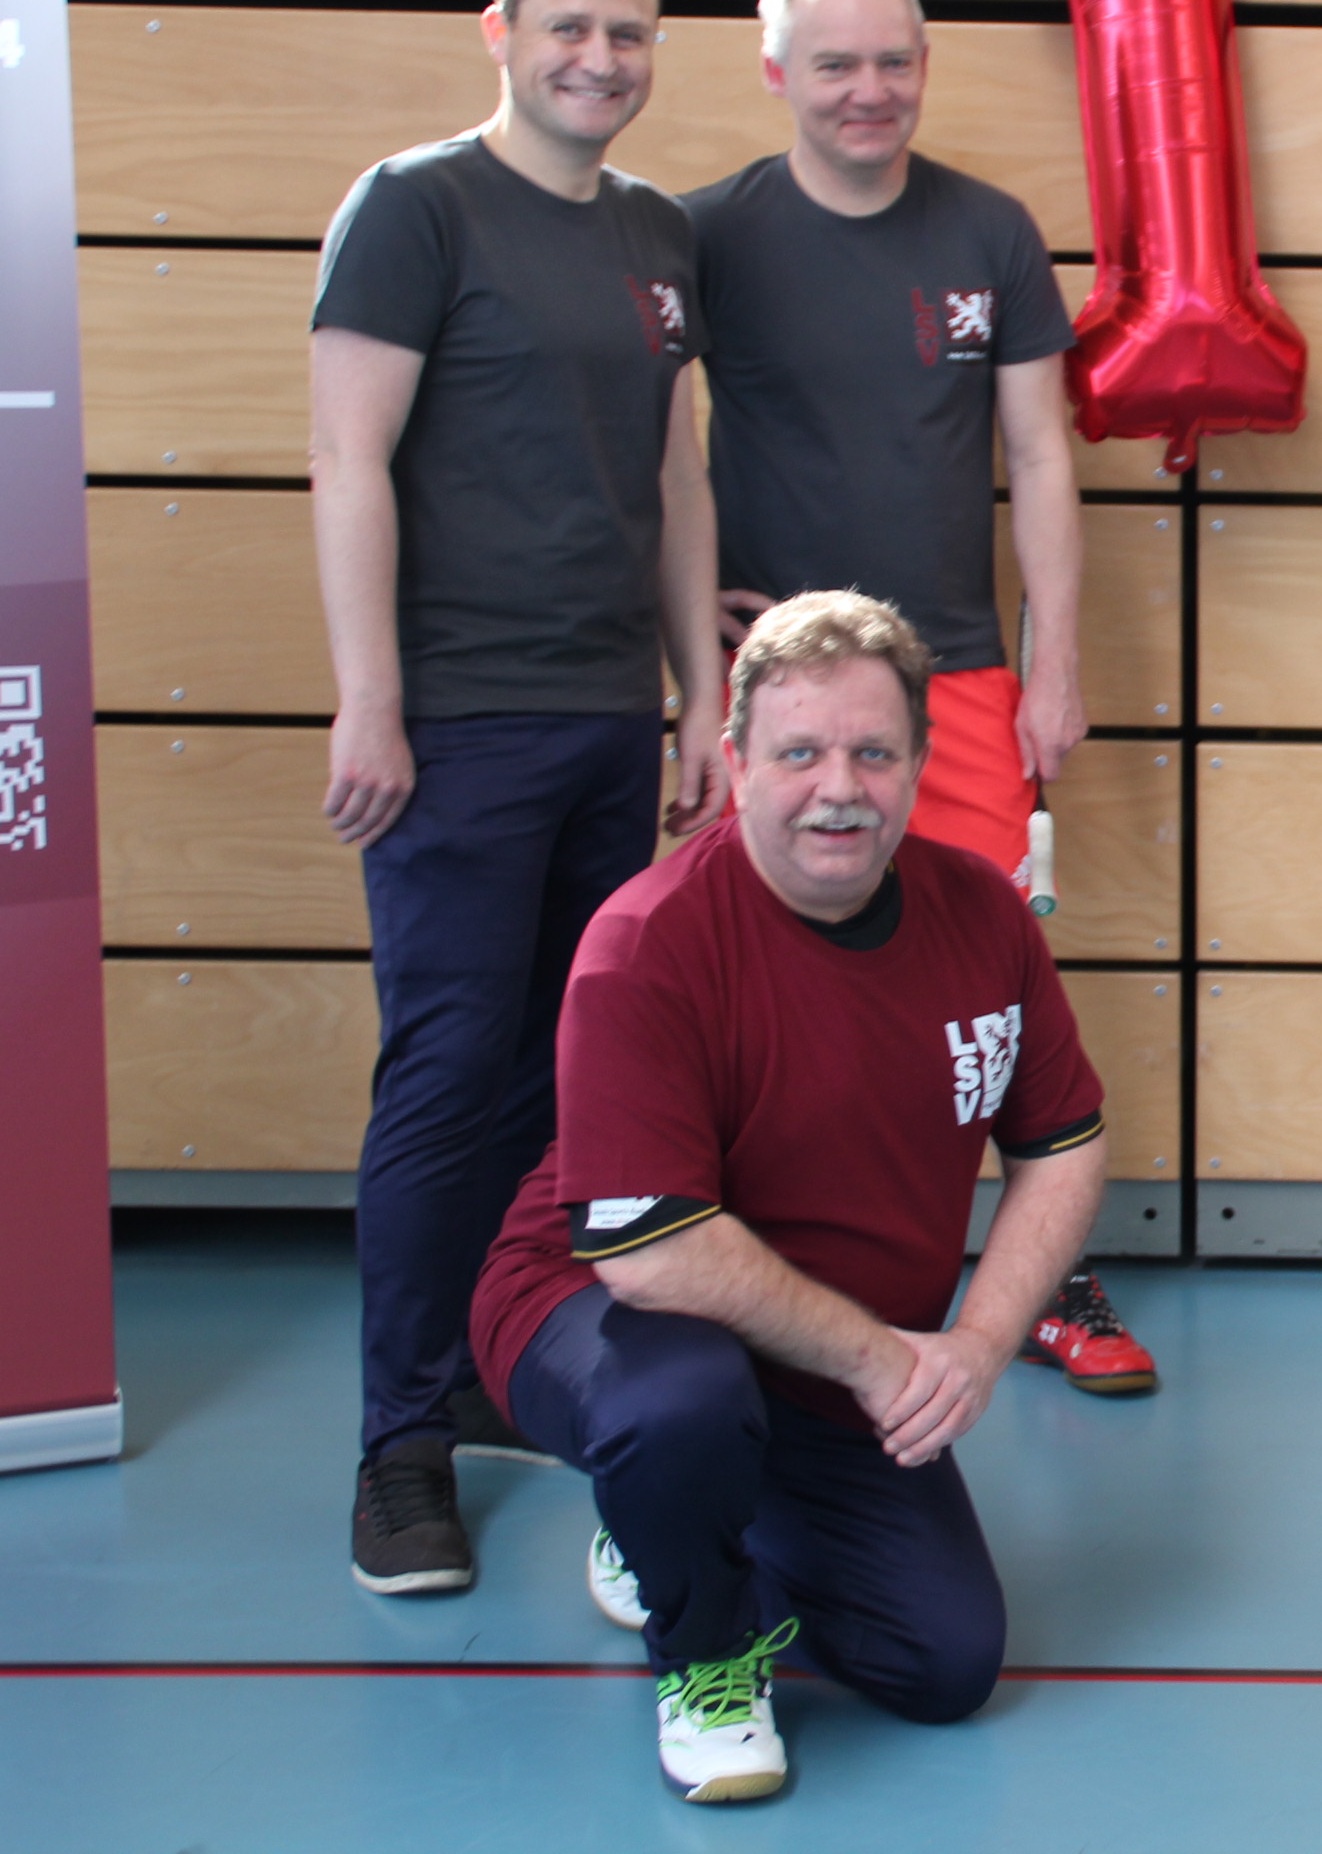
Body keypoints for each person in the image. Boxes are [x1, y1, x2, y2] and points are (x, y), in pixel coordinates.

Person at [468, 591, 1112, 1802]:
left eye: (874, 751)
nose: (840, 788)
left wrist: (976, 1342)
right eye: (800, 753)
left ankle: (675, 1513)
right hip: (597, 1305)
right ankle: (702, 1653)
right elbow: (651, 1255)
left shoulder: (983, 916)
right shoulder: (648, 942)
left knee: (946, 1662)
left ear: (920, 760)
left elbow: (1064, 1144)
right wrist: (879, 1361)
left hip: (826, 1360)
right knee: (681, 1403)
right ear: (734, 762)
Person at [309, 0, 724, 1597]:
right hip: (455, 726)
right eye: (566, 25)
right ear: (502, 31)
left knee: (570, 1083)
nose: (597, 57)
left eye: (625, 32)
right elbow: (348, 457)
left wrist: (702, 689)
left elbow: (678, 475)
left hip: (604, 720)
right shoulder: (413, 208)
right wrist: (369, 692)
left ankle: (489, 1366)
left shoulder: (657, 234)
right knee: (446, 1069)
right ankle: (397, 1446)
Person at [684, 0, 1152, 1394]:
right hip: (779, 697)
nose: (869, 90)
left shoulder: (992, 234)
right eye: (836, 64)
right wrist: (684, 620)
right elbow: (635, 447)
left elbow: (1036, 453)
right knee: (757, 992)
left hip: (953, 683)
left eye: (895, 60)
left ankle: (1040, 1282)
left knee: (982, 987)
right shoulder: (703, 236)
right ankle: (750, 1287)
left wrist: (1051, 665)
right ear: (777, 75)